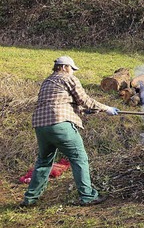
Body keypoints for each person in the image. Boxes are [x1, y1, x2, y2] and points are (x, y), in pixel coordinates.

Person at [20, 56, 119, 207]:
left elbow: (61, 102)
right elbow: (85, 100)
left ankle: (30, 199)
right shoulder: (68, 78)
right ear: (65, 67)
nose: (73, 72)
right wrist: (107, 108)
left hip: (41, 126)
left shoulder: (48, 81)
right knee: (79, 158)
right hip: (60, 124)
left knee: (43, 162)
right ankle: (87, 197)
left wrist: (87, 111)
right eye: (72, 69)